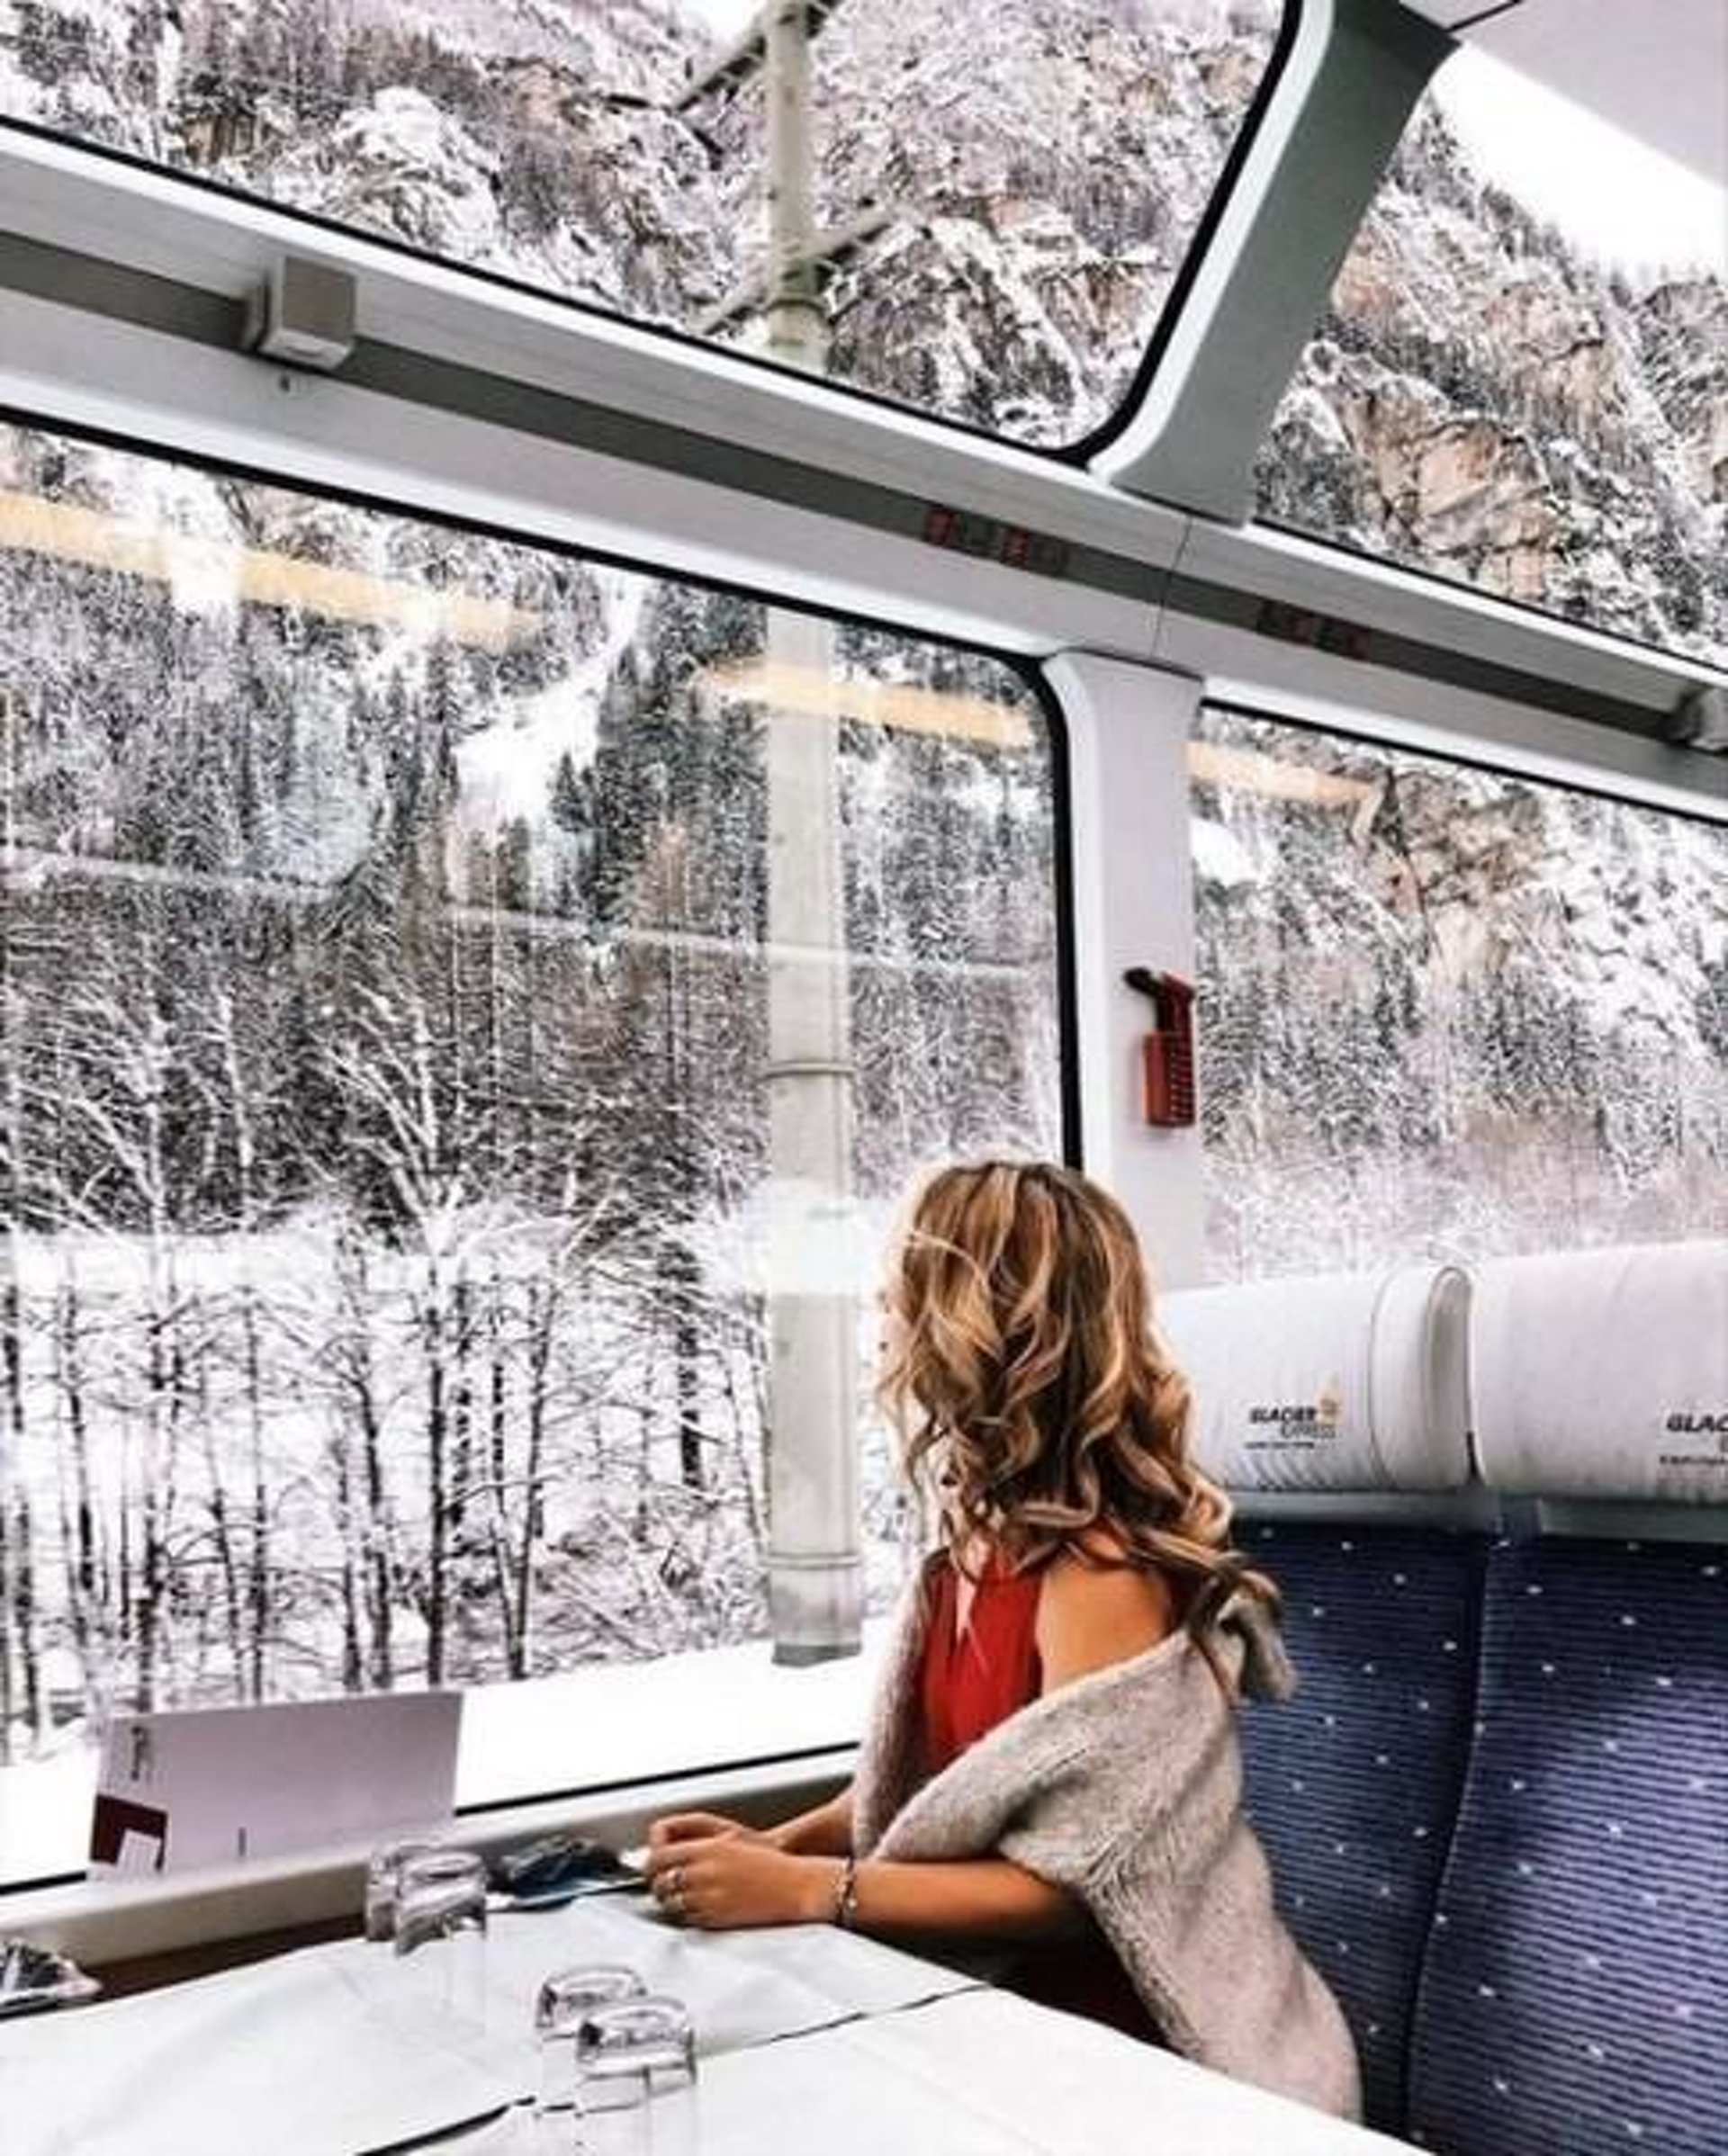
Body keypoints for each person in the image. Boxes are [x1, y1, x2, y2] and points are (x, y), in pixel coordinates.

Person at [645, 1160, 1360, 2119]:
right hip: (995, 2010)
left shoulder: (1097, 1572)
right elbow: (946, 1789)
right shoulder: (967, 1548)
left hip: (1141, 2043)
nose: (883, 1319)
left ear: (976, 1327)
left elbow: (1078, 1886)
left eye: (901, 1294)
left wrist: (810, 1886)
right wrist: (763, 1850)